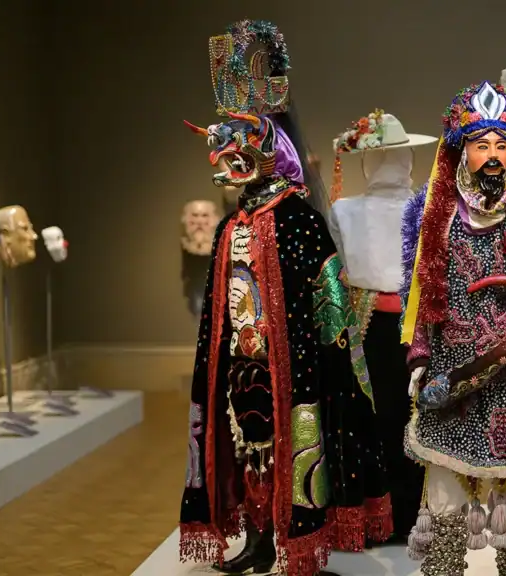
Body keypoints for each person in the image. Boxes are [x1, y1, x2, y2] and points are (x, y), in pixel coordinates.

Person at [178, 20, 391, 576]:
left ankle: (300, 542)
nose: (228, 167)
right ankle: (256, 533)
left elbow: (329, 305)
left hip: (291, 365)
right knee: (249, 448)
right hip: (240, 363)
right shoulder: (230, 226)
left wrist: (331, 358)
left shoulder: (298, 221)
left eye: (240, 149)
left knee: (296, 447)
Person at [398, 80, 506, 576]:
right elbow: (420, 293)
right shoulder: (435, 215)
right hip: (454, 378)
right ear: (462, 151)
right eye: (482, 145)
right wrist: (419, 356)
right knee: (446, 498)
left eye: (501, 145)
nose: (493, 155)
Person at [327, 109, 437, 542]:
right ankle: (396, 515)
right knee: (390, 419)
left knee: (385, 421)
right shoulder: (352, 210)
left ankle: (392, 514)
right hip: (381, 328)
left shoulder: (424, 206)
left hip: (388, 327)